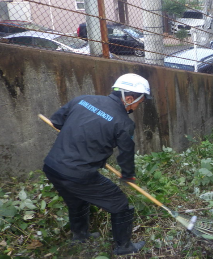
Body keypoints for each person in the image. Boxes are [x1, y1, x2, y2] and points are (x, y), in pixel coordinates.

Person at [42, 73, 152, 255]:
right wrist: (128, 175)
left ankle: (80, 236)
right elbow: (126, 156)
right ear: (129, 98)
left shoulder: (82, 100)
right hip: (78, 174)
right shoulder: (124, 123)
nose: (138, 106)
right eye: (139, 103)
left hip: (52, 167)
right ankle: (124, 248)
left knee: (77, 200)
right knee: (119, 203)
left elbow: (56, 121)